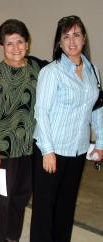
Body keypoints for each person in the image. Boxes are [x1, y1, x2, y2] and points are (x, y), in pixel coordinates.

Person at [30, 15, 103, 242]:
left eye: (77, 35)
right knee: (44, 211)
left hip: (78, 149)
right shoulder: (51, 72)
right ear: (59, 42)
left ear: (84, 39)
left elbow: (97, 108)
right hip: (51, 150)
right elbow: (41, 112)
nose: (72, 41)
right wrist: (48, 150)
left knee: (66, 207)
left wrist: (100, 143)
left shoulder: (93, 71)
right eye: (66, 36)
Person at [0, 19, 43, 242]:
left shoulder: (36, 70)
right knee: (2, 201)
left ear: (27, 44)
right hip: (5, 151)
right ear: (2, 47)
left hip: (30, 148)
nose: (15, 48)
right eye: (10, 43)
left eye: (20, 42)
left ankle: (12, 238)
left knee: (20, 198)